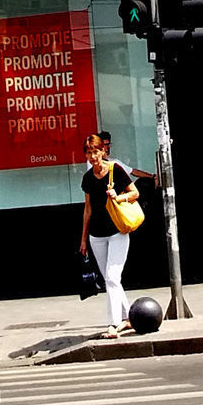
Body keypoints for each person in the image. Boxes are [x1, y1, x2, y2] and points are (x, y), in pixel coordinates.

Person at [80, 132, 140, 338]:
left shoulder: (116, 170)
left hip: (117, 231)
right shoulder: (87, 178)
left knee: (113, 277)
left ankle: (113, 325)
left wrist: (119, 197)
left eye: (95, 151)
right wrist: (83, 239)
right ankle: (128, 318)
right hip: (96, 236)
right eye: (89, 152)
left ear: (103, 151)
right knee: (110, 279)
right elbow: (87, 209)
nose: (92, 156)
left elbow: (135, 193)